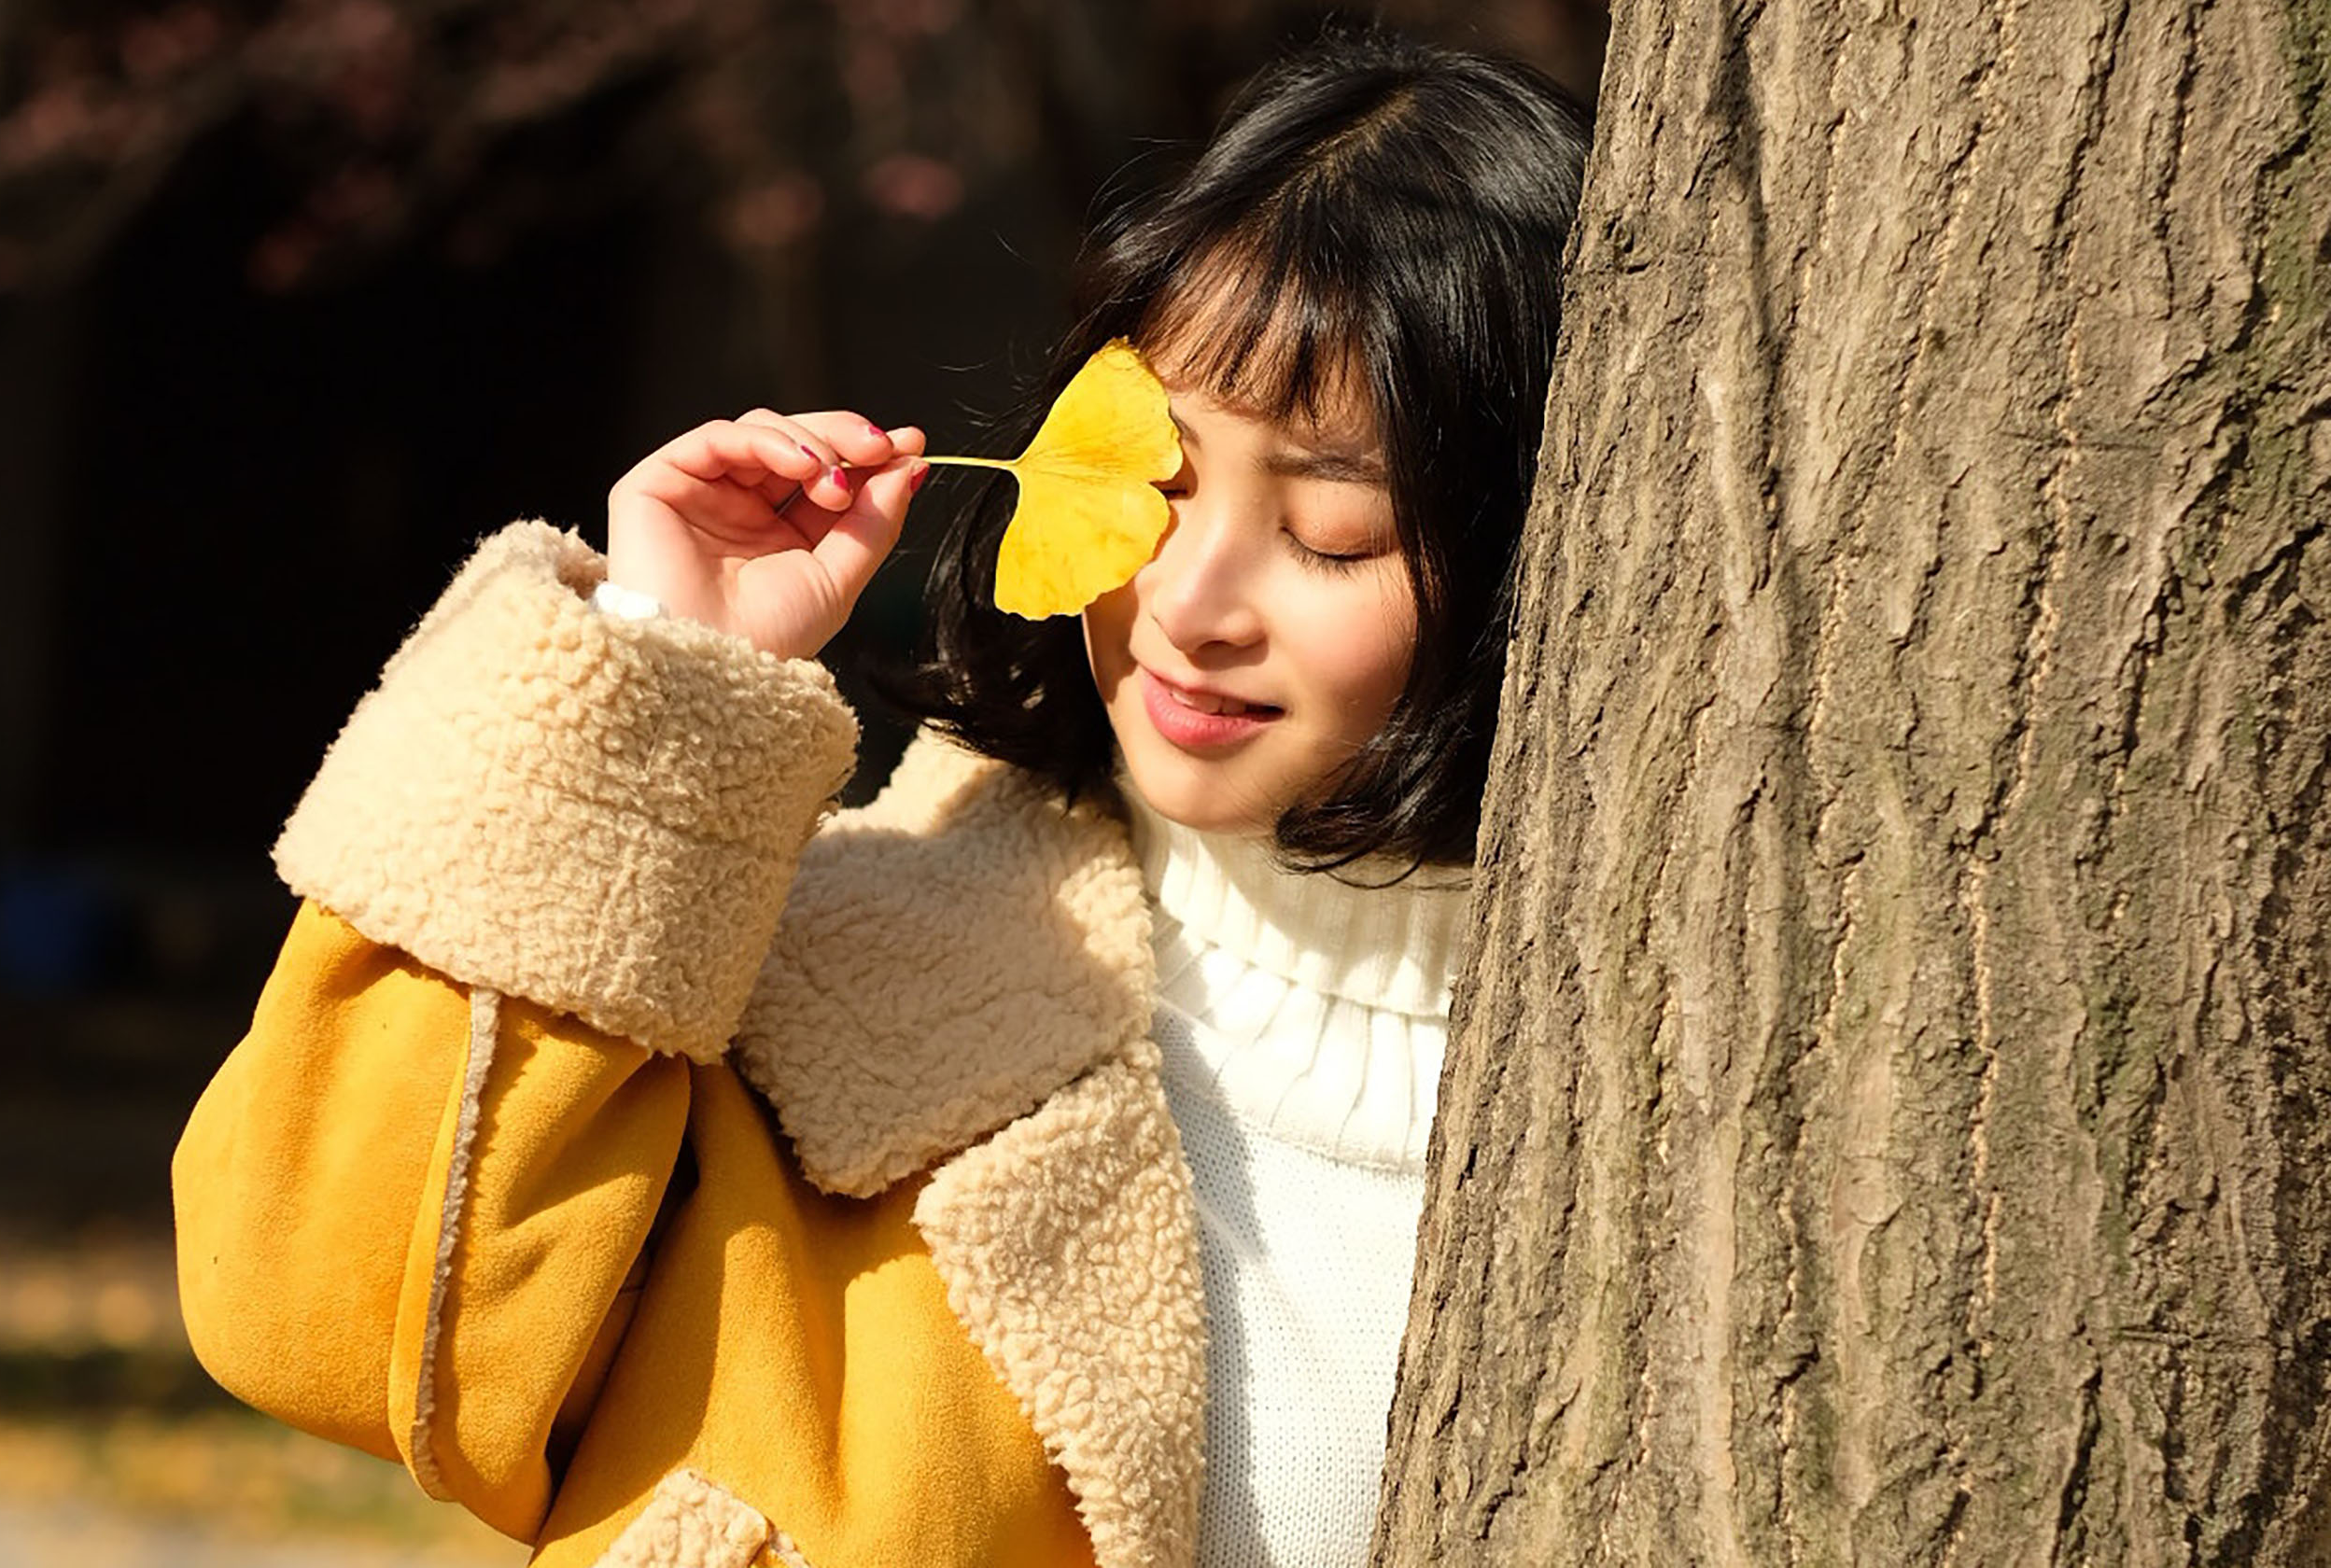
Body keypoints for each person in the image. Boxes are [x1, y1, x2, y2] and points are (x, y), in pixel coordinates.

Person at [173, 29, 1590, 1568]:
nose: (1191, 600)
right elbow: (315, 1310)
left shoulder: (1682, 1103)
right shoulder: (827, 1001)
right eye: (1154, 485)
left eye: (1330, 530)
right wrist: (655, 685)